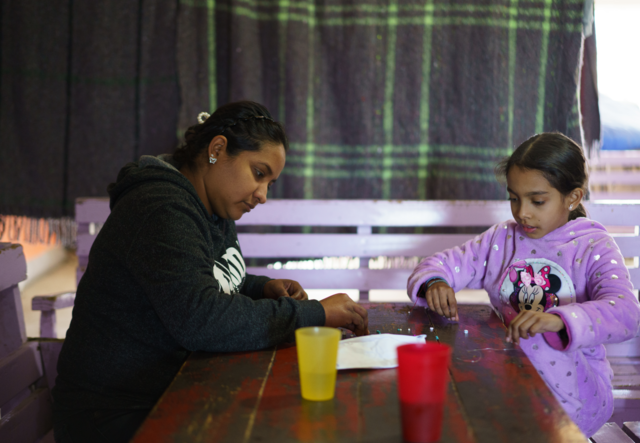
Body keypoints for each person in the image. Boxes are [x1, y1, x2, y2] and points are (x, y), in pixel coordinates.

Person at [52, 101, 368, 442]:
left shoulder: (212, 206)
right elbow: (202, 317)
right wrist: (314, 314)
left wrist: (262, 287)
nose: (262, 195)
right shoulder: (161, 207)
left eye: (270, 184)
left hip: (174, 391)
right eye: (258, 173)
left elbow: (209, 278)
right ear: (217, 149)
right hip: (114, 415)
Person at [406, 132, 640, 437]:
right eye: (514, 198)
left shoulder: (593, 246)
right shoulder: (501, 239)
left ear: (573, 197)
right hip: (507, 389)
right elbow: (440, 263)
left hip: (573, 400)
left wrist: (558, 320)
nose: (522, 212)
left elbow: (626, 313)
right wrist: (435, 282)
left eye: (537, 201)